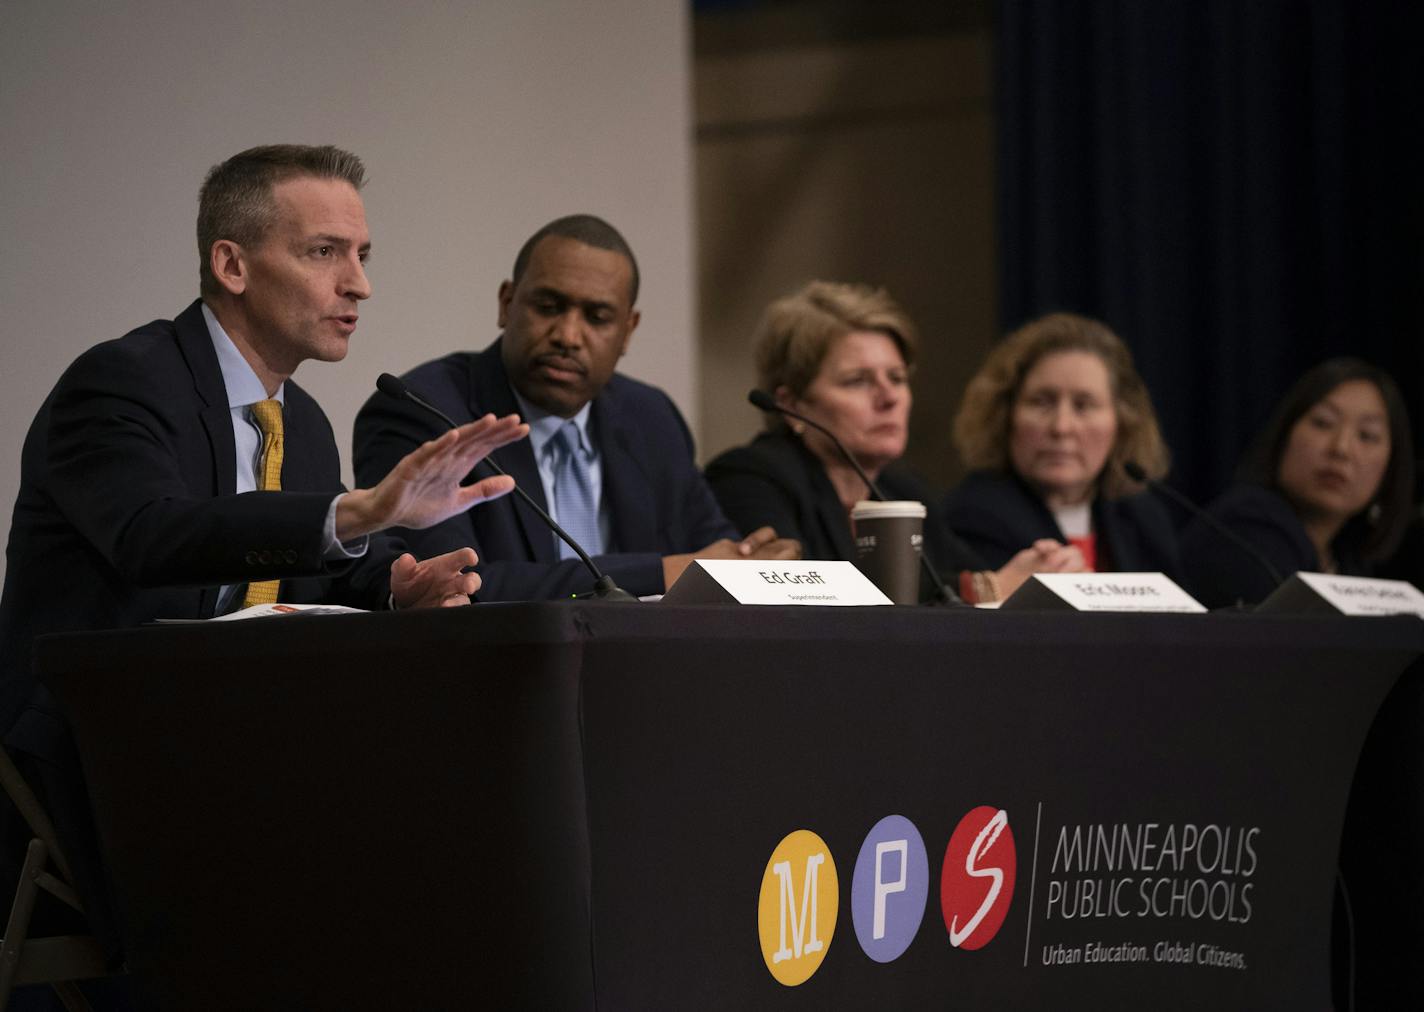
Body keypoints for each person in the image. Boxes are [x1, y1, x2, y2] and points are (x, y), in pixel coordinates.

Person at [0, 144, 527, 955]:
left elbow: (308, 567)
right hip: (97, 754)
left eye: (362, 256)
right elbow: (152, 537)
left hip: (244, 742)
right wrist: (359, 511)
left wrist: (397, 588)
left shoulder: (302, 423)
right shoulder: (120, 384)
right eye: (325, 253)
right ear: (232, 264)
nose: (359, 284)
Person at [354, 214, 798, 601]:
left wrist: (755, 563)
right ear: (507, 304)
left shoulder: (650, 417)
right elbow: (447, 585)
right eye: (549, 306)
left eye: (597, 317)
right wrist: (661, 574)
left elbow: (711, 548)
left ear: (628, 330)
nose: (568, 335)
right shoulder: (426, 411)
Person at [705, 282, 1084, 604]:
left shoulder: (901, 489)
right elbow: (813, 593)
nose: (890, 398)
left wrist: (1039, 569)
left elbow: (965, 574)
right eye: (857, 380)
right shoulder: (750, 478)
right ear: (791, 405)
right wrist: (987, 587)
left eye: (897, 378)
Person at [945, 311, 1180, 576]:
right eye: (1042, 402)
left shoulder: (1142, 517)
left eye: (1084, 405)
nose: (1062, 427)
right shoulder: (976, 516)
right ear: (1004, 415)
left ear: (1121, 422)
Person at [1181, 358, 1415, 608]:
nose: (1341, 448)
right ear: (1284, 434)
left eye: (1367, 435)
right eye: (1323, 423)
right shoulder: (1245, 530)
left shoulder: (1347, 559)